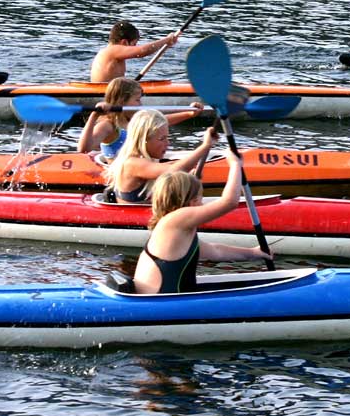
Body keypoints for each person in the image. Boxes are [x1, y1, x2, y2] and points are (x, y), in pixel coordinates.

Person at [132, 152, 266, 294]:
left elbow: (216, 252)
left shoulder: (176, 231)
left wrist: (254, 252)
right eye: (200, 199)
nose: (202, 203)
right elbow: (229, 202)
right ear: (192, 201)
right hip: (159, 304)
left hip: (161, 298)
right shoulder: (176, 219)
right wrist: (235, 165)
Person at [102, 109, 217, 202]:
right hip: (133, 220)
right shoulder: (132, 163)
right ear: (144, 140)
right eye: (162, 139)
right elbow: (173, 170)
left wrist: (190, 171)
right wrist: (205, 146)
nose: (168, 143)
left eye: (167, 137)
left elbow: (172, 166)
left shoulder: (144, 160)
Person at [77, 79, 205, 158]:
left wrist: (189, 114)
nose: (141, 104)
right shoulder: (108, 125)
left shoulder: (134, 121)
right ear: (122, 101)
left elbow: (161, 121)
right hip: (119, 173)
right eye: (137, 100)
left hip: (138, 167)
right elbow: (83, 149)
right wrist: (94, 116)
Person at [90, 20, 180, 83]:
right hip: (104, 92)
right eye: (134, 44)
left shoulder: (111, 52)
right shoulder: (113, 50)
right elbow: (142, 51)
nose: (134, 47)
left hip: (109, 90)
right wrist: (167, 39)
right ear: (124, 42)